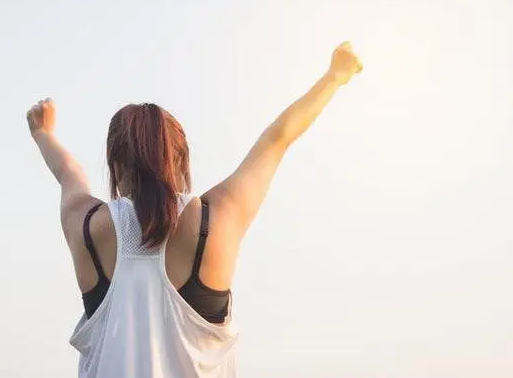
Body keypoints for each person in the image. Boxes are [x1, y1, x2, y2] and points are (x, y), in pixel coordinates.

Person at [26, 42, 363, 378]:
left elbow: (69, 173)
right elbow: (276, 140)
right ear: (181, 161)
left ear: (114, 166)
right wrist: (334, 77)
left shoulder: (87, 227)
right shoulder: (217, 219)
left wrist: (43, 133)